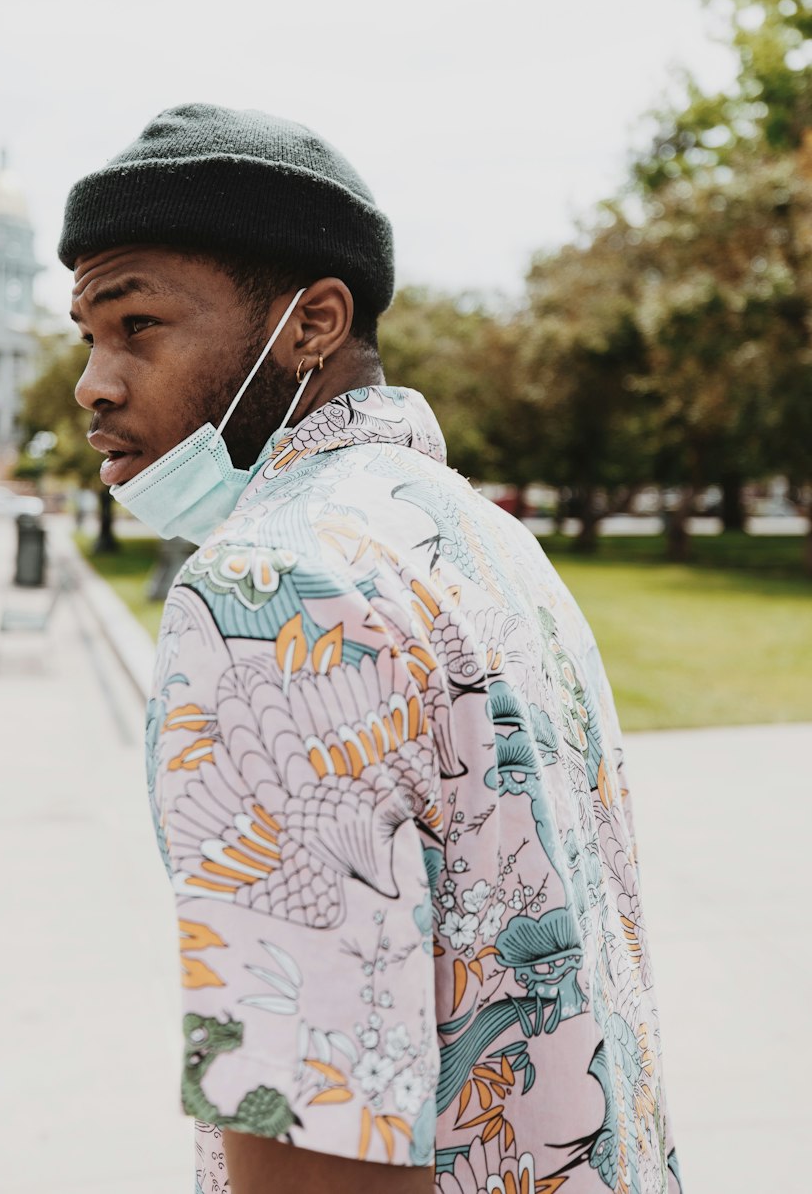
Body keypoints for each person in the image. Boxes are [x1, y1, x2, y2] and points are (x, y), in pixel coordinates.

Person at [59, 104, 682, 1194]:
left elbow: (316, 1134)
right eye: (89, 337)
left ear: (311, 324)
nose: (94, 383)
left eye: (139, 324)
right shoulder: (482, 542)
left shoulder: (268, 589)